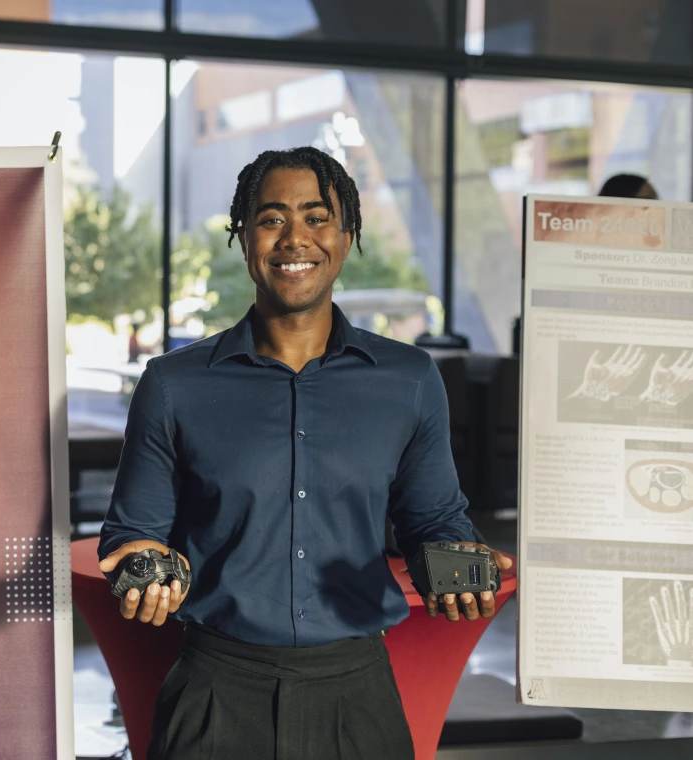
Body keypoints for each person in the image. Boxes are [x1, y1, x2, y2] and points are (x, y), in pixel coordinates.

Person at [97, 146, 512, 760]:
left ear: (346, 237)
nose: (295, 238)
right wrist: (141, 565)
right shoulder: (173, 383)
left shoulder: (409, 378)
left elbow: (431, 520)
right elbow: (134, 530)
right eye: (271, 218)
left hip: (356, 696)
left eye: (317, 217)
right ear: (243, 238)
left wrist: (455, 558)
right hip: (215, 693)